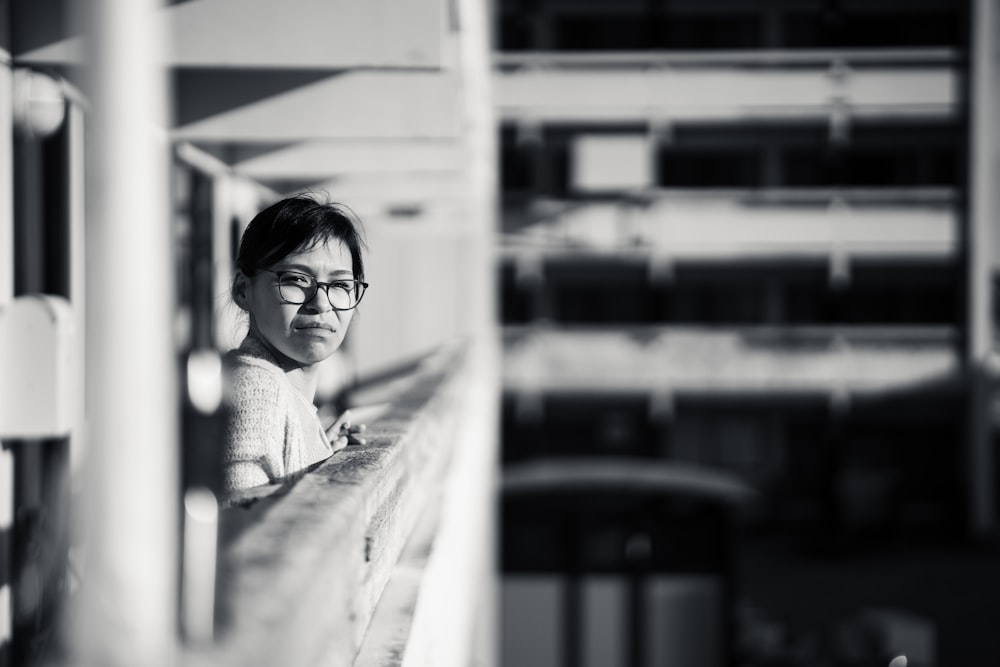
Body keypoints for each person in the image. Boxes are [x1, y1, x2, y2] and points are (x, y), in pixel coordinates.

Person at [222, 194, 368, 493]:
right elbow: (241, 525)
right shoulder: (257, 392)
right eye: (296, 280)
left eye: (340, 285)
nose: (320, 303)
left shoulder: (282, 395)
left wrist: (316, 449)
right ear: (242, 289)